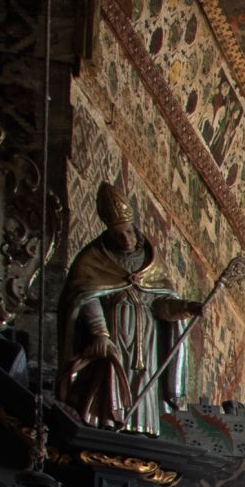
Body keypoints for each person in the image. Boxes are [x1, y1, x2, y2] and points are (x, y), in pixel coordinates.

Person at [57, 183, 165, 430]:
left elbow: (161, 302)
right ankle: (109, 419)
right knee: (113, 373)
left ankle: (140, 427)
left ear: (135, 231)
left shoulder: (150, 263)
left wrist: (188, 308)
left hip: (145, 336)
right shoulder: (94, 259)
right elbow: (85, 295)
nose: (125, 239)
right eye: (118, 235)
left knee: (143, 376)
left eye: (128, 232)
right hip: (113, 330)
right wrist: (100, 333)